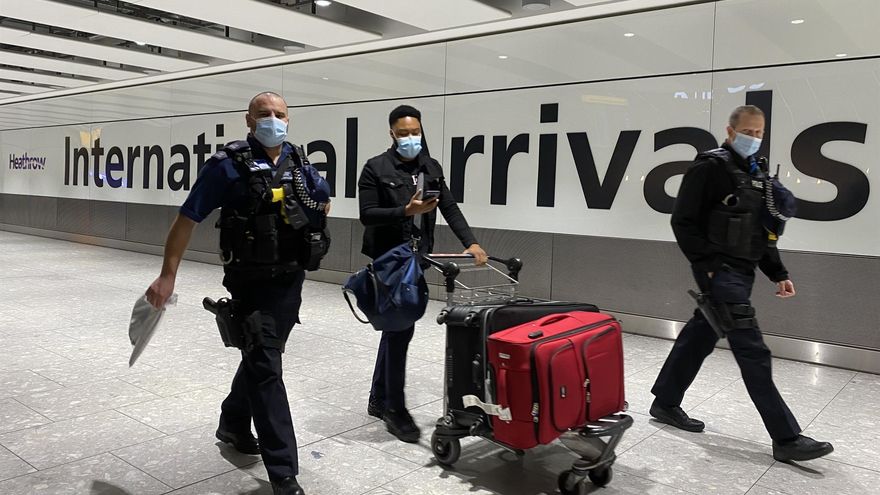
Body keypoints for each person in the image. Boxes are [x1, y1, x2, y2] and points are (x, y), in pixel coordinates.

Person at [146, 91, 330, 495]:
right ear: (248, 120)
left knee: (262, 356)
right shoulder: (226, 167)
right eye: (263, 114)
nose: (272, 120)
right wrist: (167, 275)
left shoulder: (299, 162)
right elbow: (186, 219)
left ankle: (232, 423)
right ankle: (284, 472)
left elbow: (323, 201)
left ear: (289, 119)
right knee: (267, 366)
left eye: (279, 114)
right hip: (249, 280)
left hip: (290, 281)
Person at [649, 105, 833, 463]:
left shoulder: (755, 173)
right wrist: (709, 266)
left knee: (701, 334)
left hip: (742, 270)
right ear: (730, 131)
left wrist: (777, 273)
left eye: (760, 133)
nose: (754, 138)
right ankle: (786, 437)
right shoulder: (710, 166)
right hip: (721, 272)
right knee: (753, 350)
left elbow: (760, 233)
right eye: (748, 132)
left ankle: (665, 401)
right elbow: (682, 221)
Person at [358, 104, 488, 443]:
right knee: (399, 329)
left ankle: (379, 398)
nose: (410, 138)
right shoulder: (375, 168)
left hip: (417, 258)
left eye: (415, 132)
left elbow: (449, 206)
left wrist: (471, 243)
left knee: (396, 326)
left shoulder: (431, 168)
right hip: (389, 260)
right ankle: (394, 409)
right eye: (403, 133)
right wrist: (406, 210)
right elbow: (367, 214)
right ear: (392, 133)